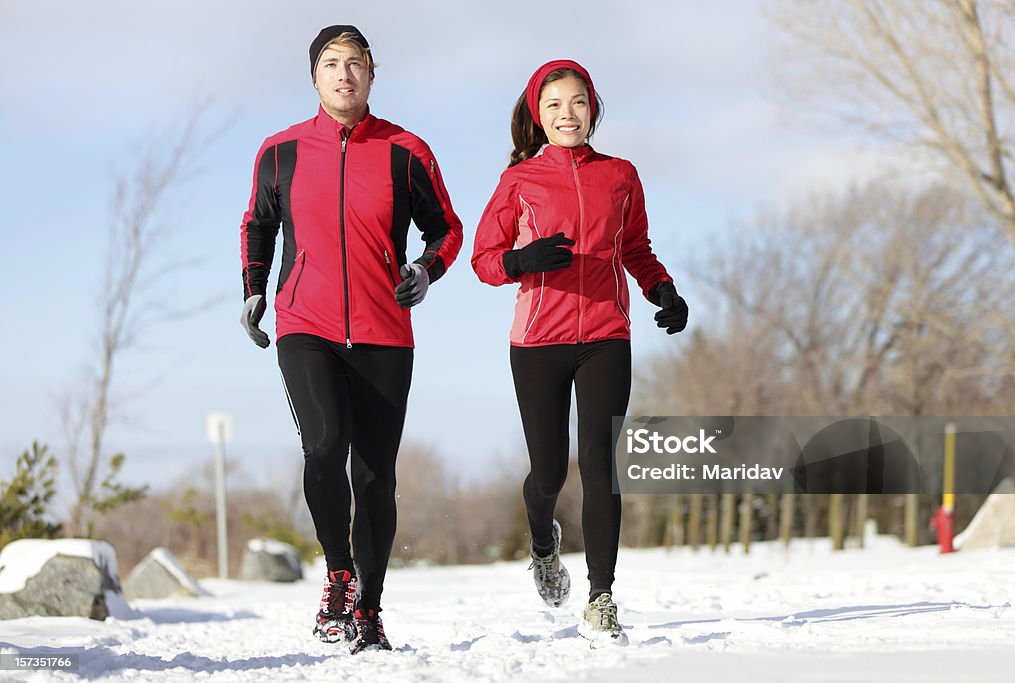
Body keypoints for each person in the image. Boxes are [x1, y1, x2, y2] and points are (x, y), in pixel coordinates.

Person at [238, 25, 463, 654]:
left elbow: (446, 229)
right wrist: (254, 288)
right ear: (314, 76)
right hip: (303, 324)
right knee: (324, 446)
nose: (344, 74)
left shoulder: (404, 151)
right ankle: (338, 571)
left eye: (356, 63)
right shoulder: (279, 151)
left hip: (385, 332)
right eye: (332, 64)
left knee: (374, 476)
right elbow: (258, 224)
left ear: (372, 74)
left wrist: (425, 270)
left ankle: (368, 606)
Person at [471, 59, 688, 647]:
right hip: (538, 339)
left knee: (600, 462)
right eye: (553, 106)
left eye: (577, 103)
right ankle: (543, 539)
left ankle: (601, 597)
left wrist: (662, 290)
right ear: (537, 116)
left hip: (606, 336)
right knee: (547, 470)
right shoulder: (519, 181)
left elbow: (636, 248)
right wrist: (521, 261)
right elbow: (484, 259)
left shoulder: (620, 175)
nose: (567, 115)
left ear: (593, 108)